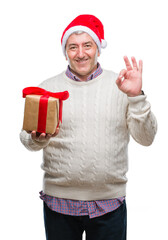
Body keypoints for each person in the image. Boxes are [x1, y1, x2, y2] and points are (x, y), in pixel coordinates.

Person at [20, 14, 157, 240]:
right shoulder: (47, 88)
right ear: (66, 51)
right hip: (59, 205)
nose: (81, 53)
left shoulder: (122, 86)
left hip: (109, 205)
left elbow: (147, 138)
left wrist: (136, 98)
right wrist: (38, 138)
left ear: (98, 49)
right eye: (73, 47)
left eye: (87, 45)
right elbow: (26, 140)